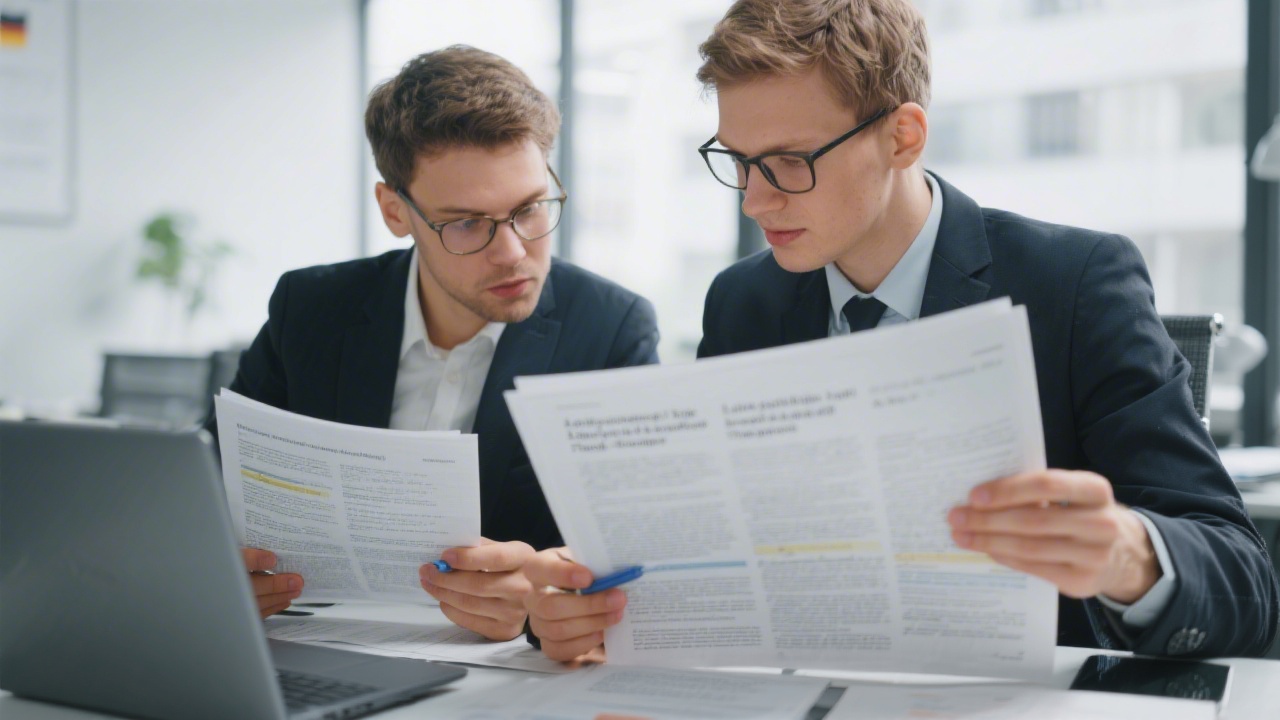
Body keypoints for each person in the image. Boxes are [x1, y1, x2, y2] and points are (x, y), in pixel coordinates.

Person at [524, 0, 1278, 661]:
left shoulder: (1076, 281)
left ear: (903, 137)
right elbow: (711, 554)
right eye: (739, 161)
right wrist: (578, 608)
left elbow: (1244, 576)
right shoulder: (742, 301)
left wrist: (1129, 555)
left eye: (788, 162)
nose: (754, 202)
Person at [214, 45, 659, 641]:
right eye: (467, 223)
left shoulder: (610, 329)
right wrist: (222, 569)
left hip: (504, 679)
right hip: (308, 648)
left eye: (529, 209)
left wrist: (541, 603)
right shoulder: (312, 309)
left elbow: (636, 553)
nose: (512, 252)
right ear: (395, 210)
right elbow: (210, 490)